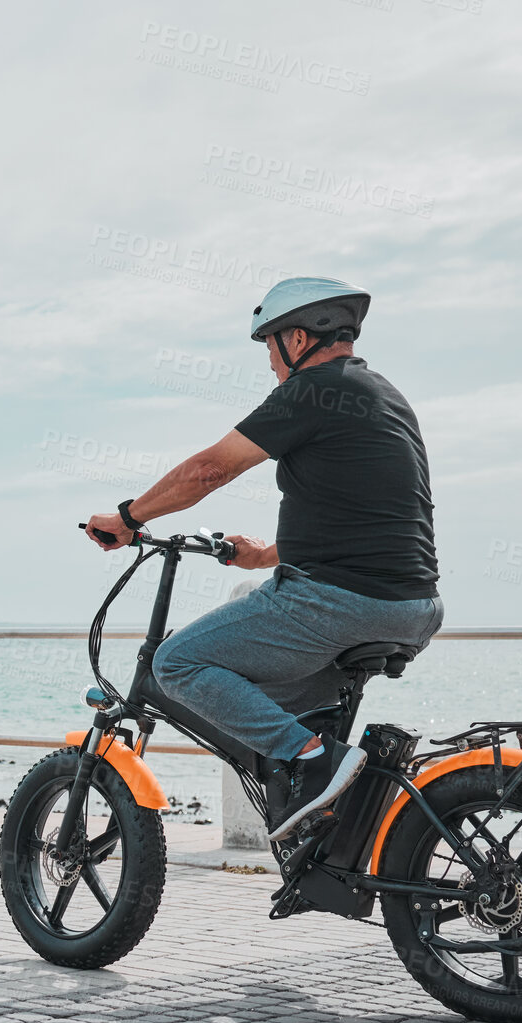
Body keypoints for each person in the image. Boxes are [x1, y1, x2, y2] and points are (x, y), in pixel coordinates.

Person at [84, 276, 442, 840]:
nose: (271, 367)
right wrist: (263, 557)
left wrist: (128, 519)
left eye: (269, 348)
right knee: (257, 696)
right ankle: (329, 829)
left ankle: (311, 762)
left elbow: (211, 469)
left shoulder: (311, 390)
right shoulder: (384, 395)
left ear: (297, 339)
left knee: (174, 665)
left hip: (335, 603)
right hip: (412, 606)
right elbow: (370, 518)